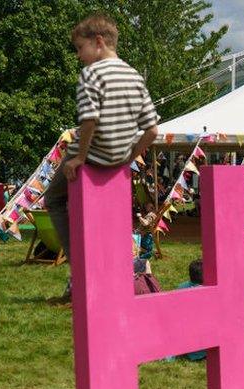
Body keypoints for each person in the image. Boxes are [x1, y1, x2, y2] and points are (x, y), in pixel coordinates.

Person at [43, 12, 159, 304]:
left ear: (98, 42)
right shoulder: (134, 75)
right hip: (118, 160)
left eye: (80, 48)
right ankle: (107, 276)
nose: (79, 56)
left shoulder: (92, 74)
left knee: (54, 200)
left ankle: (78, 267)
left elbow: (89, 120)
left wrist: (78, 158)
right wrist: (128, 157)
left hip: (92, 155)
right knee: (106, 220)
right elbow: (152, 129)